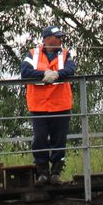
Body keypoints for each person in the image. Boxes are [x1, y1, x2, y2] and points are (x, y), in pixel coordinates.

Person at [20, 25, 77, 186]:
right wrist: (44, 74)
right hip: (39, 106)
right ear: (46, 39)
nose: (60, 40)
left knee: (60, 140)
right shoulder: (32, 54)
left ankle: (56, 173)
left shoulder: (66, 54)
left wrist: (57, 74)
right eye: (57, 37)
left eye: (60, 37)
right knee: (40, 139)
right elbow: (25, 71)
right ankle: (42, 173)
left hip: (61, 104)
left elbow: (71, 70)